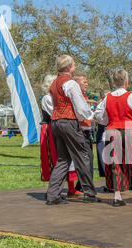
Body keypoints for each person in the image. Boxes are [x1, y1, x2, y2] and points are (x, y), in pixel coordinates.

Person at [46, 55, 100, 205]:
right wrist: (91, 116)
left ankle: (53, 195)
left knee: (63, 159)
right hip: (68, 121)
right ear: (70, 67)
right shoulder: (70, 83)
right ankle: (89, 193)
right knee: (82, 155)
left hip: (55, 122)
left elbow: (52, 103)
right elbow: (80, 106)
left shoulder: (54, 83)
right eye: (74, 64)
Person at [94, 69, 132, 207]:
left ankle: (117, 196)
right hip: (130, 130)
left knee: (115, 163)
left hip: (112, 130)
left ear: (114, 81)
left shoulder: (108, 97)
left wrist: (108, 121)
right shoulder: (130, 96)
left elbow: (97, 115)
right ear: (126, 81)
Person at [73, 75, 97, 194]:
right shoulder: (78, 97)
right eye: (84, 82)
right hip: (81, 131)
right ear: (77, 84)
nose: (87, 84)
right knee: (87, 160)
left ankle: (81, 186)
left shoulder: (85, 96)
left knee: (89, 159)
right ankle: (85, 187)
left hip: (88, 131)